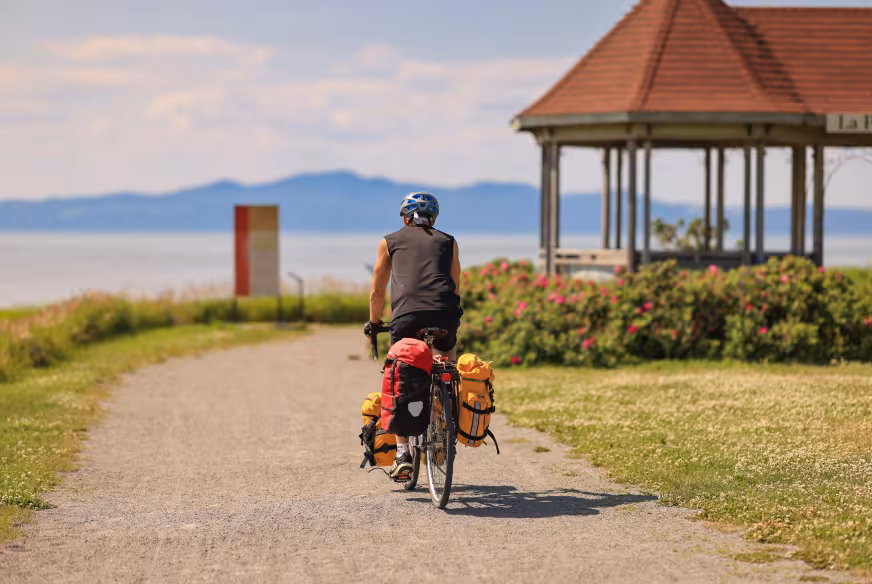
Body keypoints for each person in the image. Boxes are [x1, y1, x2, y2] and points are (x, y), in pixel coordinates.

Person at [364, 192, 462, 480]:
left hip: (407, 316)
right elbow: (456, 285)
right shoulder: (449, 241)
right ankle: (447, 422)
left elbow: (377, 291)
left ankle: (403, 452)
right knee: (447, 358)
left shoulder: (389, 241)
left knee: (401, 372)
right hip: (445, 314)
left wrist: (374, 322)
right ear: (434, 218)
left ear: (405, 217)